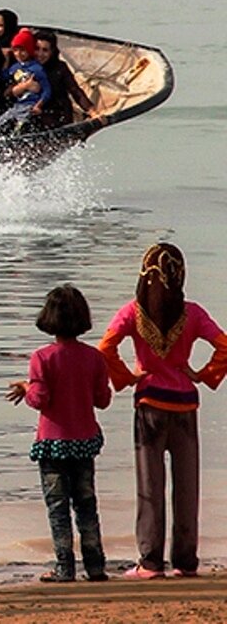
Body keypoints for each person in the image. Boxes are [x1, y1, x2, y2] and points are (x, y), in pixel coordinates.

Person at [97, 243, 227, 579]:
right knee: (187, 486)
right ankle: (185, 561)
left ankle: (151, 562)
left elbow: (105, 348)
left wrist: (127, 377)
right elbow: (224, 345)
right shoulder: (194, 313)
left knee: (150, 486)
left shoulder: (132, 312)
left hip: (149, 405)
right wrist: (203, 375)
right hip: (185, 406)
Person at [6, 285, 111, 583]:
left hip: (52, 444)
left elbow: (39, 399)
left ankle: (65, 567)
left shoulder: (42, 358)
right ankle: (95, 565)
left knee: (58, 508)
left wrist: (26, 387)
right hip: (84, 442)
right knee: (87, 505)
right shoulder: (94, 358)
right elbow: (102, 399)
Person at [0, 28, 51, 136]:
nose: (19, 54)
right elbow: (4, 76)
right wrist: (6, 59)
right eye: (15, 50)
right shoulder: (15, 67)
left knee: (19, 127)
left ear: (29, 50)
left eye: (23, 50)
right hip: (18, 105)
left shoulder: (37, 68)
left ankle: (15, 140)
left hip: (30, 105)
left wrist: (38, 105)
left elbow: (47, 90)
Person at [34, 30, 100, 129]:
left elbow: (75, 91)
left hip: (58, 114)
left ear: (52, 51)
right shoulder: (26, 67)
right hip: (34, 113)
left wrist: (92, 112)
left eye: (45, 50)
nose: (40, 54)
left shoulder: (60, 67)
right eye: (37, 49)